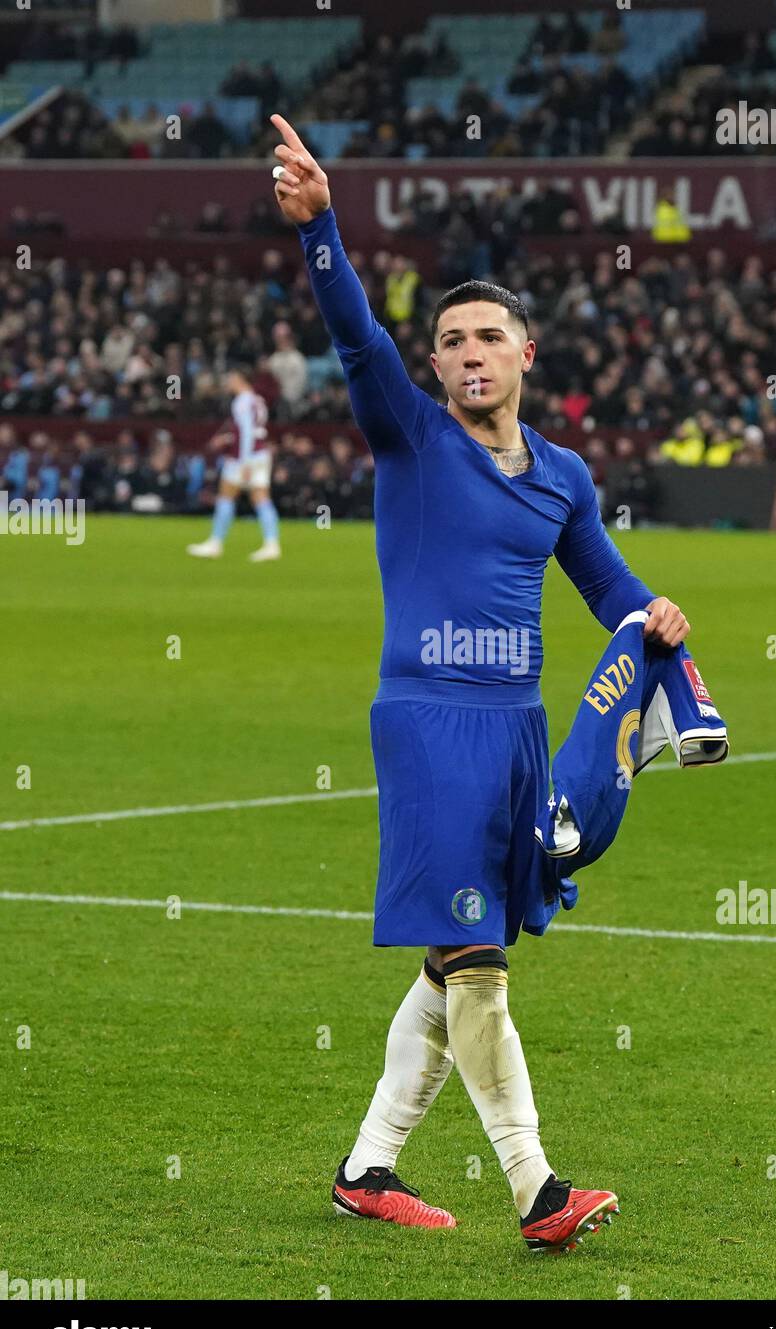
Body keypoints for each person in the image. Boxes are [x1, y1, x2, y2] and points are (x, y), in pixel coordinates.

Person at [270, 113, 690, 1252]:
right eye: (450, 338)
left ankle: (366, 1167)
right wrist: (322, 233)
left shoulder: (562, 474)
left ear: (523, 354)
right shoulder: (409, 436)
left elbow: (603, 583)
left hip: (519, 734)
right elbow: (359, 341)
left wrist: (652, 615)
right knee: (481, 964)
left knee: (449, 959)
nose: (464, 353)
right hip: (428, 725)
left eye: (486, 337)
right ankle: (537, 1191)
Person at [187, 365, 280, 561]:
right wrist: (229, 438)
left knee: (226, 496)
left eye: (231, 378)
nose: (228, 382)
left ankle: (215, 543)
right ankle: (272, 544)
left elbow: (246, 433)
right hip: (261, 453)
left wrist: (244, 462)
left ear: (239, 378)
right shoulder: (258, 400)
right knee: (261, 498)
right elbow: (253, 430)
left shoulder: (241, 401)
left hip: (245, 456)